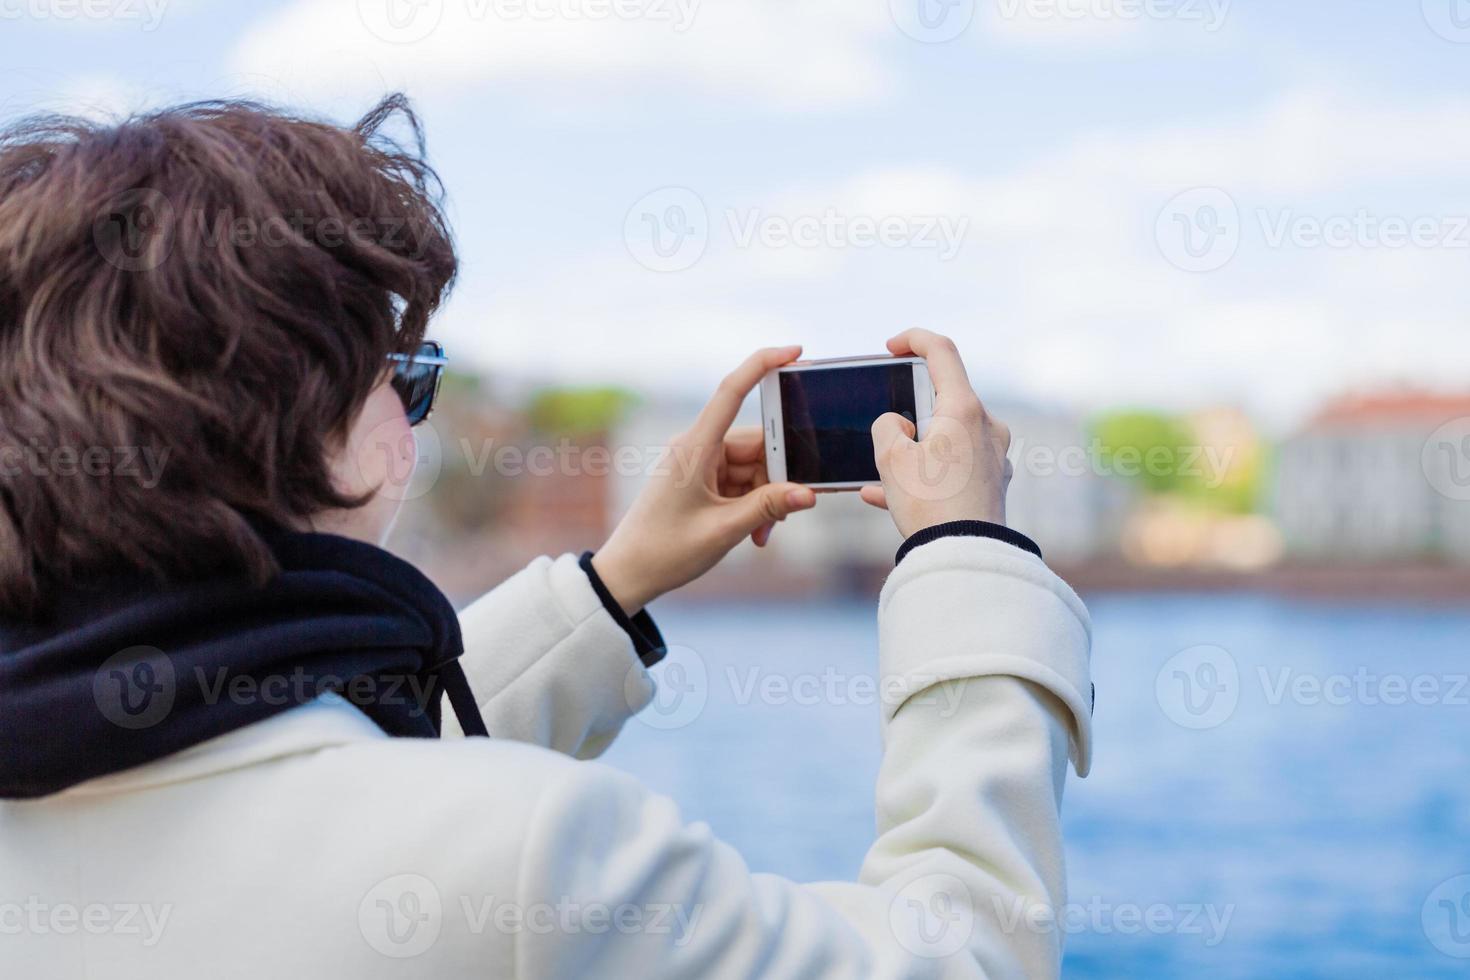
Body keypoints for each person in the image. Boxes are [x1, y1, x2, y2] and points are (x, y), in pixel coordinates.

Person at [0, 95, 1093, 979]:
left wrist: (618, 581)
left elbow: (302, 772)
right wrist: (965, 555)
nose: (412, 407)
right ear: (300, 423)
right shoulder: (534, 852)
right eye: (407, 377)